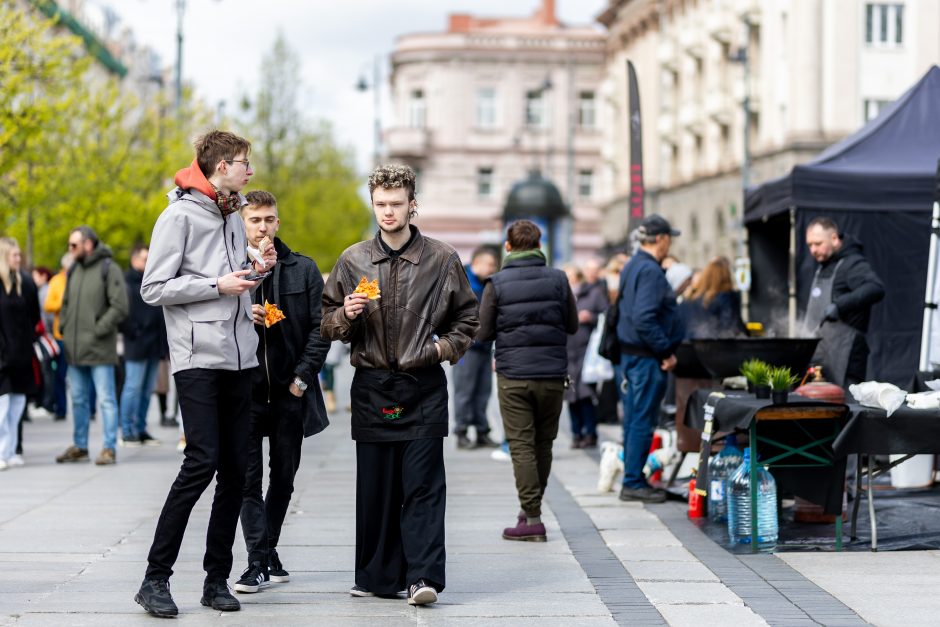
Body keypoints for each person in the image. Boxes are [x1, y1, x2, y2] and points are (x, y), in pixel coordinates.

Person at [322, 164, 478, 607]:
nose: (388, 212)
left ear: (413, 204)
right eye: (380, 204)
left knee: (424, 485)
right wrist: (345, 316)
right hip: (371, 385)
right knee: (376, 488)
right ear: (372, 204)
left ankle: (422, 577)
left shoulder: (442, 258)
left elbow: (468, 319)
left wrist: (438, 350)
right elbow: (326, 323)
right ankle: (377, 576)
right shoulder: (353, 260)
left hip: (423, 384)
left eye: (396, 204)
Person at [134, 130, 275, 618]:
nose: (249, 170)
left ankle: (217, 580)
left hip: (241, 358)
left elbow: (232, 278)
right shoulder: (178, 216)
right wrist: (218, 284)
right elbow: (153, 288)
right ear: (219, 168)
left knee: (237, 470)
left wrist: (255, 267)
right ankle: (155, 578)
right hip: (196, 358)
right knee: (202, 462)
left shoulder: (231, 215)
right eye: (242, 162)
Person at [234, 190, 330, 594]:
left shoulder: (302, 269)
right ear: (242, 223)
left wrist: (302, 379)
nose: (262, 227)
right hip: (247, 391)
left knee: (285, 477)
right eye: (254, 220)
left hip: (291, 391)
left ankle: (266, 550)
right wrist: (242, 314)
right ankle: (258, 560)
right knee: (246, 480)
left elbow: (320, 329)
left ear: (278, 221)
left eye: (268, 219)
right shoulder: (230, 268)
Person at [477, 220, 577, 541]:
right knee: (543, 443)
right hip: (552, 375)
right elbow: (573, 324)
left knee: (521, 446)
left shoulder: (497, 282)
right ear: (539, 245)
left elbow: (483, 332)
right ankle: (529, 509)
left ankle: (531, 517)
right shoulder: (559, 280)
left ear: (508, 246)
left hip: (514, 376)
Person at [616, 215, 685, 503]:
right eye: (670, 237)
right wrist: (665, 351)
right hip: (646, 359)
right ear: (661, 239)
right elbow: (644, 318)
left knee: (634, 420)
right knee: (642, 420)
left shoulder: (632, 265)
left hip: (633, 356)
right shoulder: (649, 270)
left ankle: (634, 477)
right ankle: (633, 481)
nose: (671, 242)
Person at [55, 226, 128, 466]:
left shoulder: (110, 268)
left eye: (73, 245)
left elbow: (120, 306)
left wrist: (97, 330)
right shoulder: (74, 269)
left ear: (88, 244)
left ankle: (108, 448)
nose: (70, 249)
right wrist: (64, 326)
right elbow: (65, 303)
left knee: (106, 399)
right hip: (75, 350)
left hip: (99, 349)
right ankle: (80, 446)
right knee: (78, 399)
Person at [802, 217, 885, 387]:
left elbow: (875, 288)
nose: (813, 250)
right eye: (810, 245)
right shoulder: (823, 265)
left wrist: (839, 305)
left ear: (834, 238)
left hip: (846, 356)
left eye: (817, 243)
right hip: (822, 354)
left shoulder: (852, 264)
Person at [453, 246, 500, 449]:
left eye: (494, 266)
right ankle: (462, 432)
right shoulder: (462, 283)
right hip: (466, 347)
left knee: (483, 390)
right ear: (476, 263)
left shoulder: (487, 284)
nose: (492, 269)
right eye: (489, 265)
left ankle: (482, 431)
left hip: (484, 346)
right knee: (465, 390)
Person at [118, 244, 165, 447]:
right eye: (145, 259)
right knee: (133, 387)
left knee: (147, 390)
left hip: (154, 344)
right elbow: (122, 313)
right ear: (134, 260)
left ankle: (140, 429)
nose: (148, 263)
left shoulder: (153, 281)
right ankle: (127, 431)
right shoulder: (126, 283)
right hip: (136, 344)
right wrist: (134, 332)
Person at [0, 237, 40, 470]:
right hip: (4, 355)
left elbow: (32, 316)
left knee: (17, 405)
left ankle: (10, 449)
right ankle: (2, 450)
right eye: (14, 255)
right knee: (3, 405)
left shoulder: (22, 282)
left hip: (22, 353)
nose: (19, 259)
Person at [563, 264, 608, 449]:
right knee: (571, 395)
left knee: (586, 395)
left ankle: (590, 432)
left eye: (573, 278)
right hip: (567, 352)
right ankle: (576, 433)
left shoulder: (594, 293)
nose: (571, 282)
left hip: (586, 351)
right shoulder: (561, 295)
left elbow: (606, 316)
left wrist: (591, 317)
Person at [678, 256, 746, 339]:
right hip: (718, 348)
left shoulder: (688, 301)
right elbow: (732, 327)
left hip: (689, 348)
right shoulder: (726, 298)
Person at [43, 253, 73, 421]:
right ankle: (61, 409)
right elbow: (48, 305)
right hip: (61, 334)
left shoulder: (80, 276)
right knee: (60, 374)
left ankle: (90, 408)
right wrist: (63, 302)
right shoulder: (56, 281)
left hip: (79, 334)